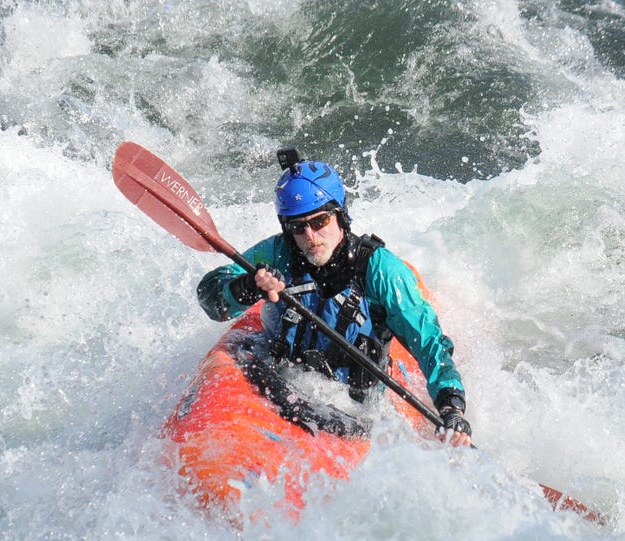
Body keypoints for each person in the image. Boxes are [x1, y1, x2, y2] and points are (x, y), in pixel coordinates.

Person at [196, 148, 472, 446]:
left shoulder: (381, 270)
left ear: (340, 215)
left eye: (319, 222)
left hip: (352, 407)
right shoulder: (278, 253)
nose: (310, 237)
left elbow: (429, 343)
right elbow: (211, 297)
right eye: (298, 227)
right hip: (276, 379)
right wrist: (246, 287)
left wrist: (451, 407)